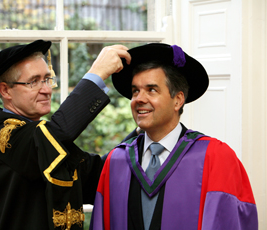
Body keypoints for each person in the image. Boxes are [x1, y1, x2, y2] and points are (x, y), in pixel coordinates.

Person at [90, 43, 258, 230]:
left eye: (151, 90)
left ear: (178, 100)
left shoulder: (214, 157)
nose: (139, 99)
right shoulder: (117, 160)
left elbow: (227, 222)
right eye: (135, 91)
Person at [0, 39, 131, 230]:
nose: (46, 90)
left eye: (47, 79)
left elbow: (98, 174)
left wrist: (143, 132)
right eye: (33, 82)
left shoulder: (40, 134)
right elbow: (58, 133)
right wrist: (96, 74)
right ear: (6, 90)